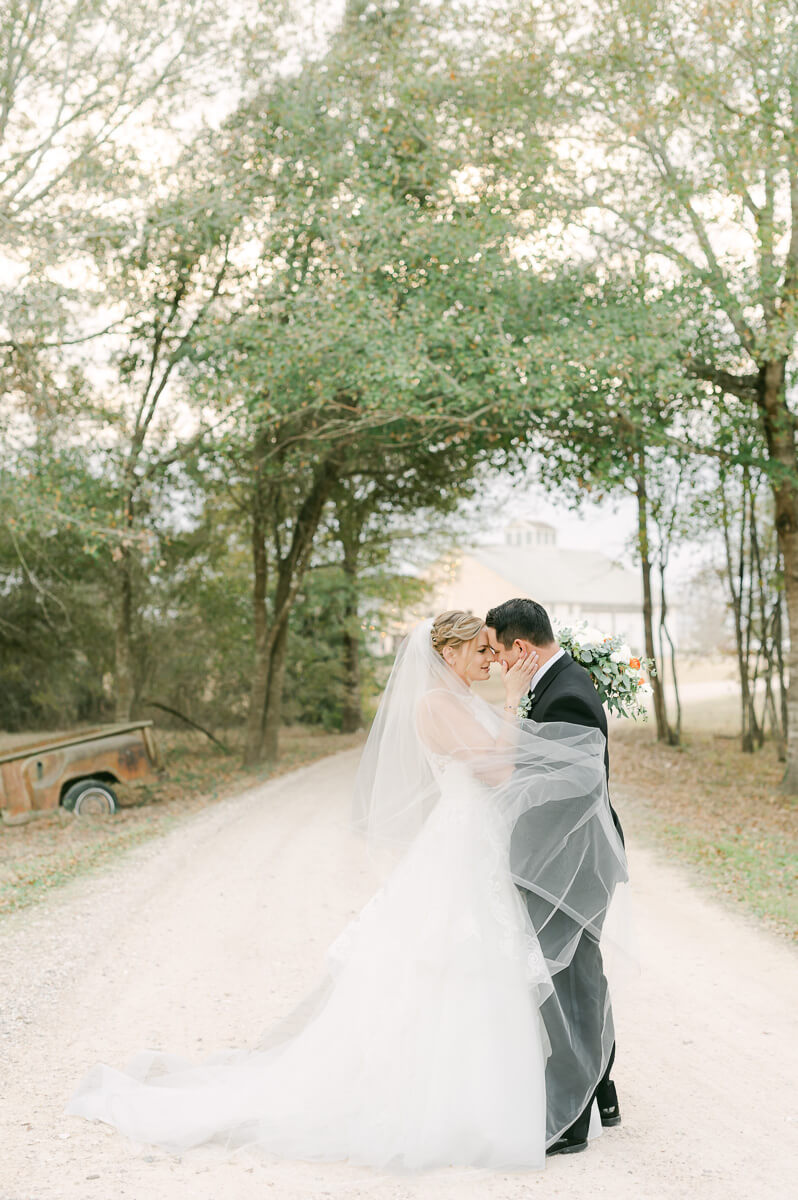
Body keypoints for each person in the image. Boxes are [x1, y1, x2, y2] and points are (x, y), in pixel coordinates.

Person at [67, 611, 627, 1169]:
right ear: (449, 653)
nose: (490, 660)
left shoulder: (460, 701)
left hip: (480, 845)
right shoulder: (433, 705)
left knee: (484, 968)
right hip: (462, 848)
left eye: (492, 650)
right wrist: (512, 699)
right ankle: (442, 1099)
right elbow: (502, 772)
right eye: (480, 651)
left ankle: (510, 1087)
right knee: (449, 963)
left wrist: (510, 705)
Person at [486, 598, 624, 1155]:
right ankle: (600, 1089)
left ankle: (570, 1116)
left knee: (567, 982)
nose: (494, 663)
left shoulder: (565, 695)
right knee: (577, 977)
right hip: (562, 861)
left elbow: (570, 792)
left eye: (497, 651)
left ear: (522, 648)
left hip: (566, 863)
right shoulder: (561, 681)